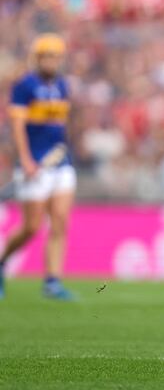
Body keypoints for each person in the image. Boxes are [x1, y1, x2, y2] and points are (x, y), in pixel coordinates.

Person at [0, 34, 76, 301]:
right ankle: (2, 261)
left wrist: (64, 148)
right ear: (38, 58)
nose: (52, 61)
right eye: (47, 56)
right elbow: (18, 126)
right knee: (31, 226)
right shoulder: (25, 86)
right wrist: (25, 159)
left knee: (60, 221)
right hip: (33, 164)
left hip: (60, 163)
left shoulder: (62, 86)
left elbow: (61, 126)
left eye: (56, 57)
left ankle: (52, 281)